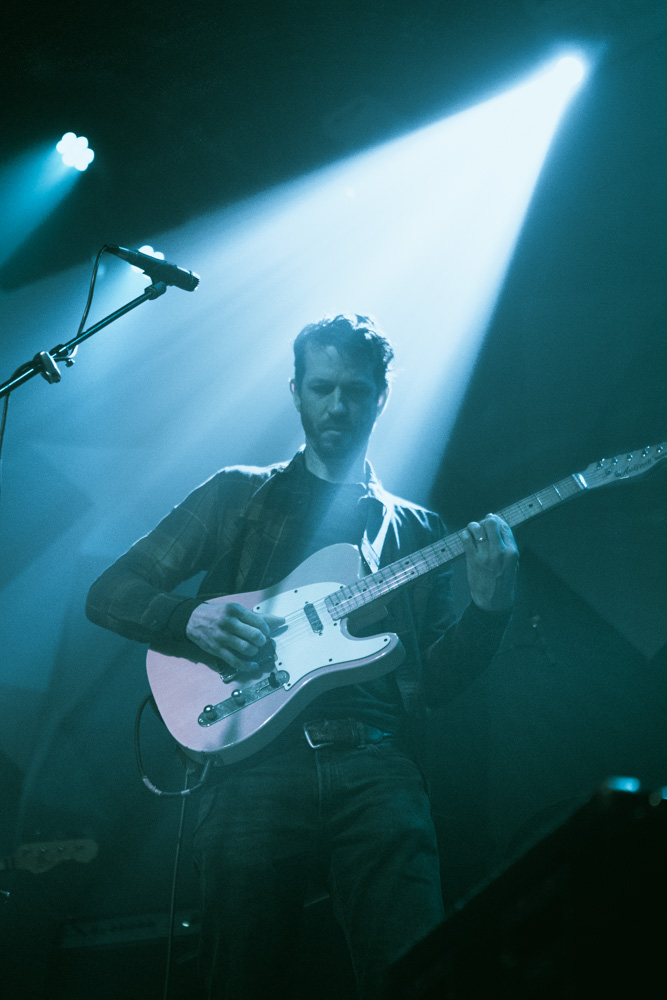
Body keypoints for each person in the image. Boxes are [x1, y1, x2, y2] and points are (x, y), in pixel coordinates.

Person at [86, 313, 518, 999]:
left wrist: (490, 613)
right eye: (321, 388)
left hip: (377, 764)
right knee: (241, 977)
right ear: (295, 392)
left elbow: (436, 683)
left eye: (354, 389)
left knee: (418, 969)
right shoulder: (237, 495)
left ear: (381, 395)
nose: (337, 406)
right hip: (250, 765)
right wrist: (187, 616)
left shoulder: (416, 532)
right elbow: (110, 593)